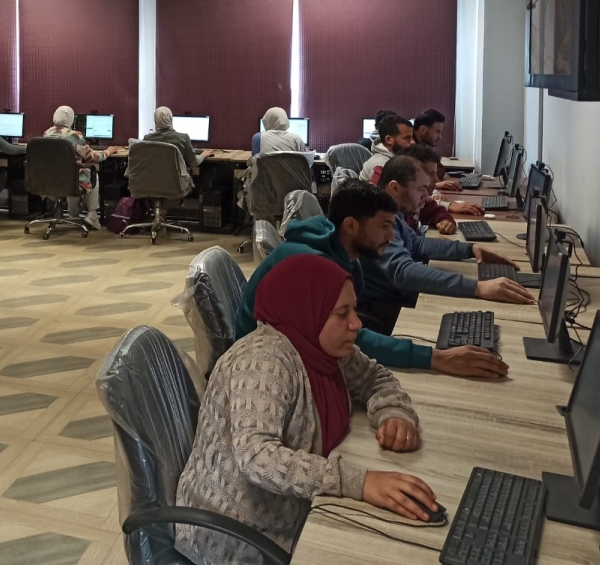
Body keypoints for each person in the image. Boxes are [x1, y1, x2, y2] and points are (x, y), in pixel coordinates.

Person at [176, 255, 438, 565]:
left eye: (353, 309)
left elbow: (374, 378)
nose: (356, 323)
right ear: (307, 311)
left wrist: (393, 412)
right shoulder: (264, 362)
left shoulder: (318, 346)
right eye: (342, 313)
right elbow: (258, 458)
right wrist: (358, 481)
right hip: (239, 532)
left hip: (294, 508)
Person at [234, 179, 507, 379]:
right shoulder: (313, 266)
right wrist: (435, 357)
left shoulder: (337, 246)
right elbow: (349, 336)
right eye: (384, 226)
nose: (391, 236)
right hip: (263, 371)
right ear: (351, 225)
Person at [357, 155, 534, 335]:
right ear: (394, 188)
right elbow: (403, 272)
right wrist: (477, 287)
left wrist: (470, 249)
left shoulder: (393, 213)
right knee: (471, 320)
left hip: (394, 295)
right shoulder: (377, 219)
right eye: (421, 189)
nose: (426, 197)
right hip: (381, 307)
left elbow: (416, 244)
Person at [394, 143, 483, 236]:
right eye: (430, 174)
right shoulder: (392, 215)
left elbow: (435, 211)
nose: (436, 180)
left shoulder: (417, 200)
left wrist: (445, 221)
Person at [43, 105, 108, 229]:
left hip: (50, 181)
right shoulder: (74, 135)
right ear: (70, 119)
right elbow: (92, 157)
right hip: (69, 180)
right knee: (91, 174)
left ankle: (73, 214)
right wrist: (108, 151)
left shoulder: (46, 134)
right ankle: (92, 214)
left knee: (73, 173)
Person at [412, 108, 460, 191]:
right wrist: (435, 184)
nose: (440, 137)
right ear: (423, 130)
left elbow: (440, 169)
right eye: (437, 132)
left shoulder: (424, 146)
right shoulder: (409, 148)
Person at [358, 114, 415, 183]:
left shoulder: (397, 159)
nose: (413, 142)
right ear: (389, 140)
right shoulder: (380, 165)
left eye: (412, 137)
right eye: (407, 138)